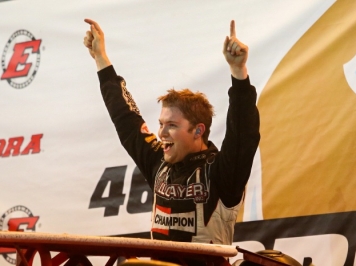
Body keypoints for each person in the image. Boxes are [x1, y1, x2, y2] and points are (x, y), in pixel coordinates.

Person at [83, 19, 260, 246]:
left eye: (172, 125)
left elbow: (243, 135)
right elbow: (125, 118)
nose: (161, 133)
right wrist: (100, 58)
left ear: (198, 130)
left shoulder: (222, 173)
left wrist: (238, 72)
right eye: (161, 124)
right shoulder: (159, 163)